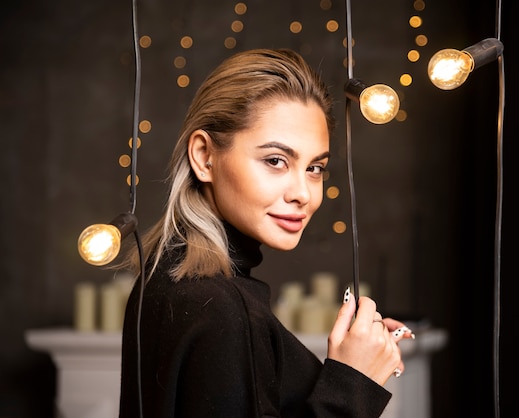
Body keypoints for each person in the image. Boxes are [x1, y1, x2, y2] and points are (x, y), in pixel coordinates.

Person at [118, 48, 415, 418]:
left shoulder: (165, 277)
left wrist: (354, 361)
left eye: (315, 168)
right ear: (203, 156)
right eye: (276, 161)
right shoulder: (221, 308)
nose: (303, 194)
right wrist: (354, 383)